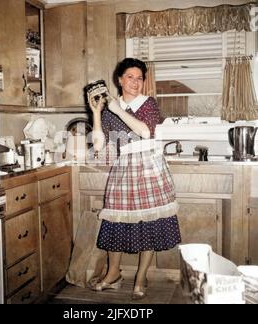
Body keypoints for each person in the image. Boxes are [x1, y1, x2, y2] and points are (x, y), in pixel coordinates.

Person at [87, 58, 181, 300]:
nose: (135, 82)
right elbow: (98, 145)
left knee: (149, 224)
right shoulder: (110, 108)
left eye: (139, 78)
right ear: (119, 80)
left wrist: (117, 109)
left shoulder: (148, 104)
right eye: (130, 77)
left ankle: (141, 278)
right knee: (116, 222)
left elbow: (145, 131)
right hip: (123, 169)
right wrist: (97, 113)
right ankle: (112, 274)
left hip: (149, 167)